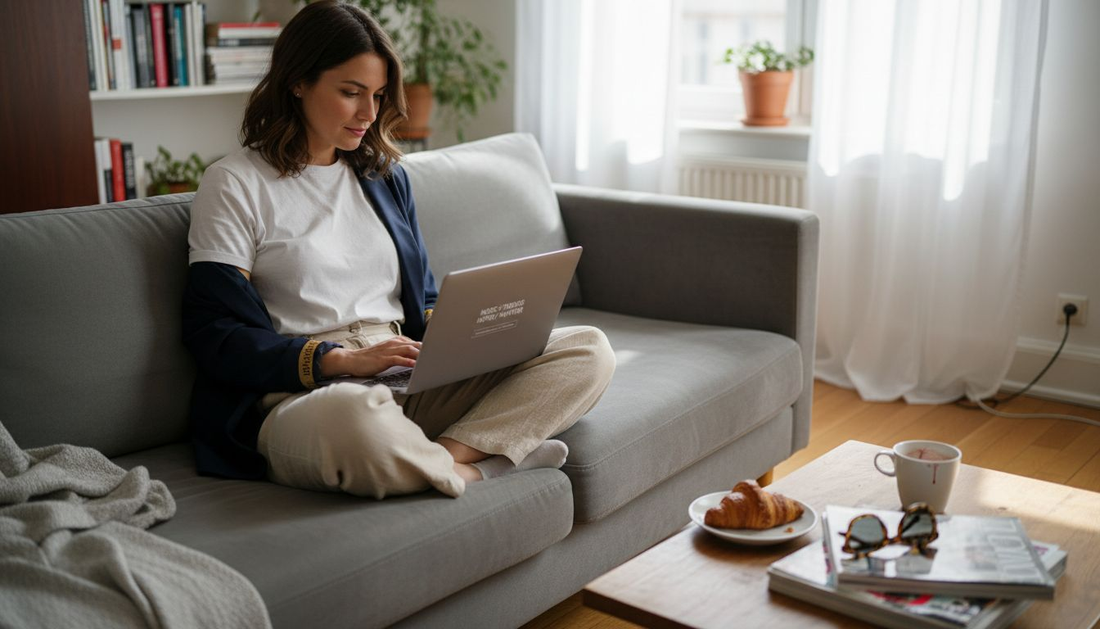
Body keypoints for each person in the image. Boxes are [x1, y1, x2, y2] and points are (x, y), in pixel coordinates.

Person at [182, 0, 615, 499]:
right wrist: (339, 361)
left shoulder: (383, 178)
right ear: (297, 82)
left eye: (379, 95)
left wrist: (463, 336)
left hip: (406, 375)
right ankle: (489, 461)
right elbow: (215, 332)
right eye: (351, 93)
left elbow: (424, 298)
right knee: (352, 418)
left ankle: (446, 458)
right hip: (311, 393)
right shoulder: (234, 183)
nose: (369, 113)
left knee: (587, 348)